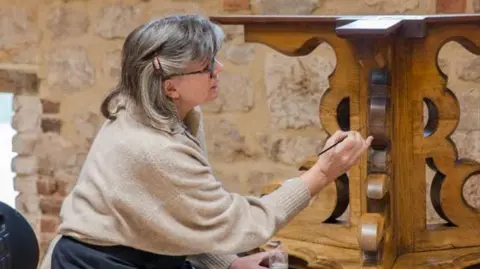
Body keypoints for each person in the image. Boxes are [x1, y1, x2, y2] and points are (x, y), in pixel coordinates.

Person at [39, 14, 373, 269]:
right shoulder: (153, 148)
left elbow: (179, 215)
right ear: (171, 87)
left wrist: (228, 263)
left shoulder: (170, 115)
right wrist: (322, 174)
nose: (220, 68)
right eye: (208, 66)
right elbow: (239, 221)